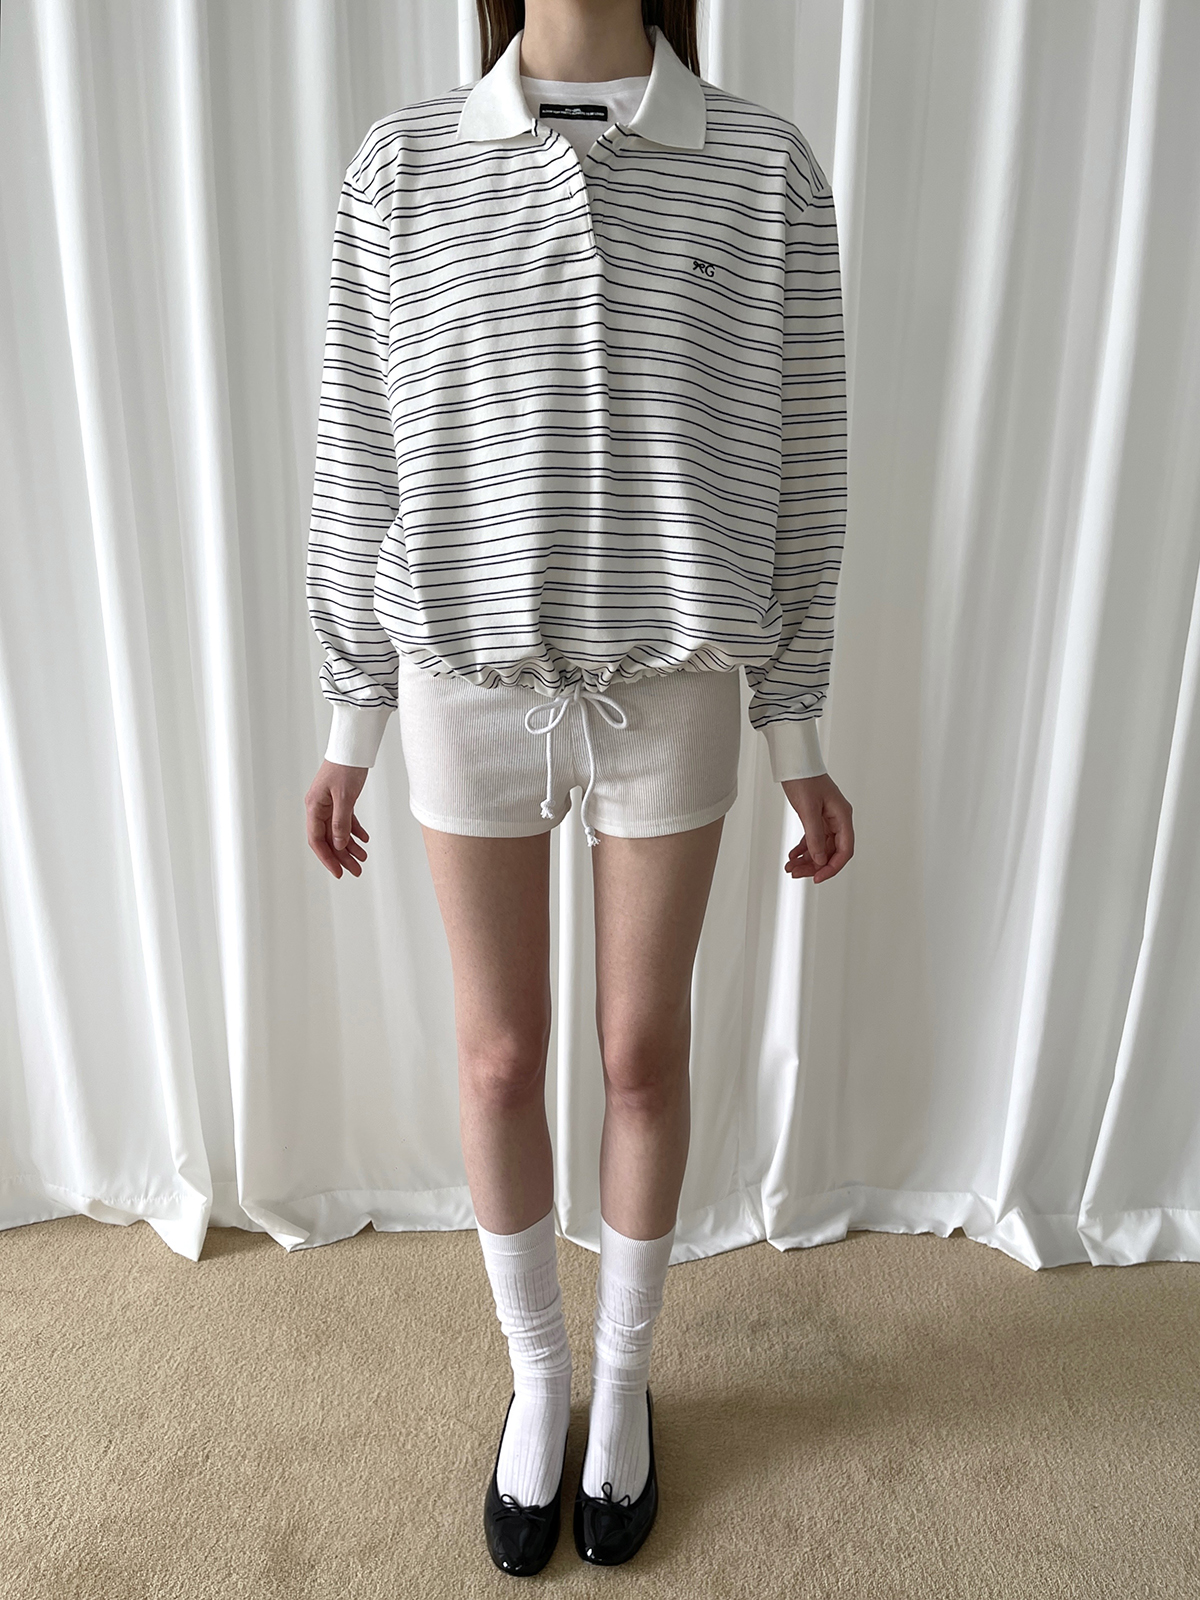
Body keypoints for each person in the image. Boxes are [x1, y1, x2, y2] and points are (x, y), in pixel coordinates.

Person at [304, 0, 854, 1576]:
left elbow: (804, 461)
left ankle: (624, 1380)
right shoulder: (402, 166)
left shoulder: (760, 167)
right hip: (462, 680)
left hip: (671, 683)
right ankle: (537, 1379)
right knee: (497, 1058)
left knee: (639, 1050)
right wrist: (350, 716)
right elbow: (360, 452)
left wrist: (796, 730)